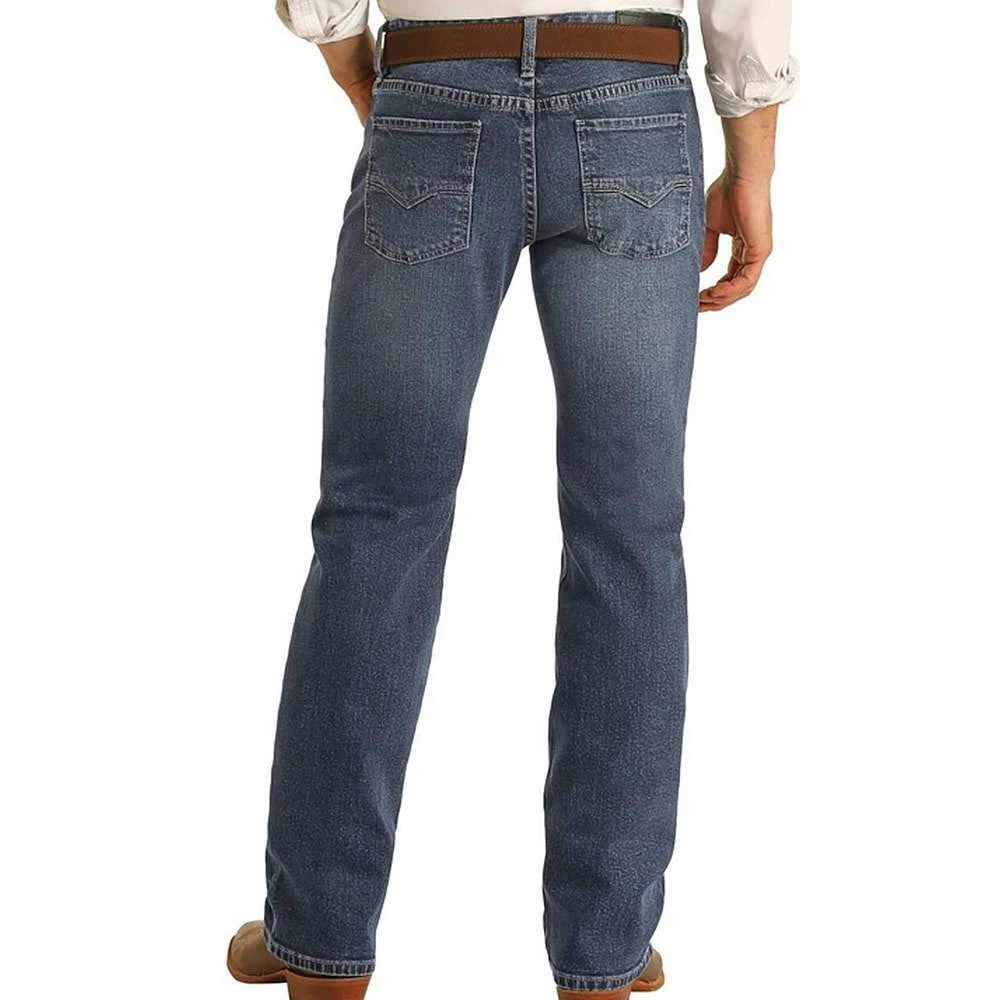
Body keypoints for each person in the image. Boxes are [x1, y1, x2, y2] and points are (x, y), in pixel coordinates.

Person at [226, 3, 797, 998]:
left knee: (376, 527)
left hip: (435, 87)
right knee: (630, 536)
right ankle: (603, 955)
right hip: (630, 92)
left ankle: (320, 941)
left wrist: (350, 62)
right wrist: (752, 161)